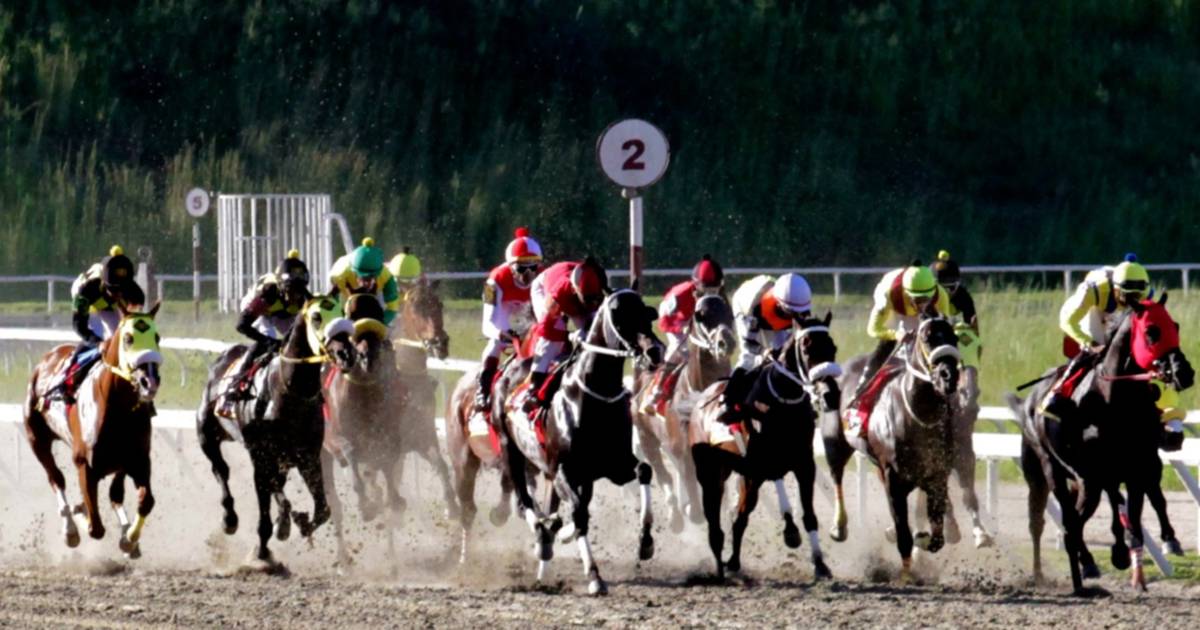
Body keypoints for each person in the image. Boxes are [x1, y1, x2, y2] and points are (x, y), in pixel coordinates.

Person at [1044, 253, 1150, 414]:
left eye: (1135, 296)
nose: (1131, 301)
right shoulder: (1095, 289)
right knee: (1095, 349)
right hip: (1091, 310)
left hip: (1113, 308)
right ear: (1116, 288)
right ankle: (1058, 393)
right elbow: (1067, 321)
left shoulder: (1147, 294)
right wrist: (1090, 343)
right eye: (1127, 295)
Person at [47, 245, 145, 403]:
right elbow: (80, 327)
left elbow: (135, 327)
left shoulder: (135, 294)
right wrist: (97, 343)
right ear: (104, 284)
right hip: (92, 305)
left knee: (120, 340)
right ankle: (65, 383)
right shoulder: (87, 290)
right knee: (99, 339)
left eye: (122, 291)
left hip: (112, 309)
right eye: (113, 290)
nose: (117, 295)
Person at [221, 250, 312, 410]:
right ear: (282, 287)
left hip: (282, 314)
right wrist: (268, 341)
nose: (295, 297)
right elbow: (242, 325)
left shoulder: (303, 297)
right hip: (260, 311)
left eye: (299, 291)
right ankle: (235, 385)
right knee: (265, 342)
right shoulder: (269, 292)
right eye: (291, 291)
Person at [722, 272, 813, 419]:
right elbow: (750, 346)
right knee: (750, 358)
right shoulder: (753, 310)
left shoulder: (798, 304)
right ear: (780, 304)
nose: (796, 317)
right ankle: (727, 401)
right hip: (744, 306)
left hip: (773, 304)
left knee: (785, 357)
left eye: (799, 313)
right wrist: (764, 353)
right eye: (792, 313)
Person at [642, 255, 725, 413]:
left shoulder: (719, 297)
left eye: (715, 289)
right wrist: (681, 327)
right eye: (707, 289)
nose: (711, 293)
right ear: (697, 285)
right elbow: (665, 315)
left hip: (698, 326)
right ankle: (656, 392)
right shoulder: (681, 293)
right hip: (674, 320)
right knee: (681, 351)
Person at [474, 228, 543, 412]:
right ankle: (483, 390)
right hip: (502, 313)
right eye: (521, 268)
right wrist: (501, 334)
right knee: (495, 344)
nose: (528, 274)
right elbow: (487, 323)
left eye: (533, 266)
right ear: (511, 266)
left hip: (530, 312)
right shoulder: (494, 281)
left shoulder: (543, 277)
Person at [857, 261, 951, 395]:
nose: (923, 305)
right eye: (918, 300)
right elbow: (873, 329)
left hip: (908, 304)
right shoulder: (887, 294)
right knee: (887, 344)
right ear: (907, 293)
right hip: (896, 307)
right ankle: (862, 386)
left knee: (933, 339)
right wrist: (896, 335)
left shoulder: (941, 296)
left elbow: (946, 329)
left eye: (927, 299)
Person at [525, 257, 608, 407]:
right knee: (550, 344)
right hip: (546, 289)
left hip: (574, 295)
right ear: (575, 290)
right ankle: (533, 390)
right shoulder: (558, 294)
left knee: (592, 337)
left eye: (596, 298)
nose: (593, 304)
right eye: (588, 299)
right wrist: (569, 336)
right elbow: (546, 329)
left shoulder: (598, 286)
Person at [329, 237, 400, 325]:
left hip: (373, 293)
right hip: (345, 293)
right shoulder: (340, 275)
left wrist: (379, 324)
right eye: (363, 277)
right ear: (354, 271)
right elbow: (332, 307)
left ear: (378, 272)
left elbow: (392, 309)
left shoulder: (387, 277)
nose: (367, 283)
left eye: (371, 277)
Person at [931, 250, 981, 366]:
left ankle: (969, 368)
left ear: (958, 284)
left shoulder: (963, 295)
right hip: (931, 329)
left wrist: (973, 335)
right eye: (942, 289)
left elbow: (971, 323)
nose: (946, 293)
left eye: (951, 288)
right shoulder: (928, 297)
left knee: (968, 343)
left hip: (951, 327)